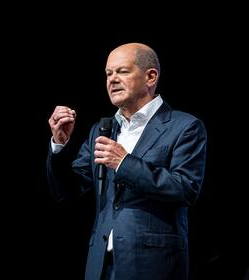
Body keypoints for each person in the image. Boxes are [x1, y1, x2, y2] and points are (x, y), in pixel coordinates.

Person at [46, 42, 207, 280]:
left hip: (153, 265)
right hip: (101, 264)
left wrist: (125, 163)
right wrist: (60, 146)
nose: (112, 80)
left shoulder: (184, 127)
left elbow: (185, 188)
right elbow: (66, 191)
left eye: (122, 71)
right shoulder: (101, 131)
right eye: (108, 74)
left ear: (150, 76)